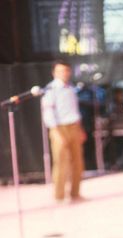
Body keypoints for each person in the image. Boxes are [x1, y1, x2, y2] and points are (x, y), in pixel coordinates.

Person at [41, 61, 87, 201]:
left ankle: (75, 193)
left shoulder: (71, 88)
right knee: (61, 162)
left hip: (74, 126)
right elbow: (48, 111)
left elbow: (74, 110)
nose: (64, 73)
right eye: (61, 71)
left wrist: (80, 129)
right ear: (54, 73)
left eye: (66, 70)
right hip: (59, 127)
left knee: (78, 162)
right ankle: (59, 196)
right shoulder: (50, 89)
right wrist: (55, 131)